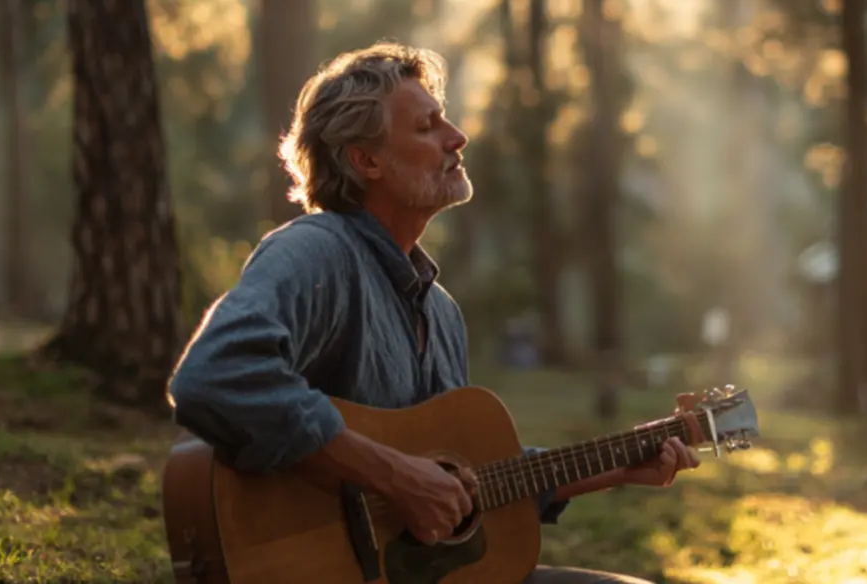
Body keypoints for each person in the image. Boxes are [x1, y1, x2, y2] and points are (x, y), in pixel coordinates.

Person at [166, 42, 700, 584]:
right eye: (427, 126)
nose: (457, 137)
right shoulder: (315, 251)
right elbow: (214, 375)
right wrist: (394, 476)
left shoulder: (441, 313)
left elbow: (463, 484)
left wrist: (616, 466)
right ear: (366, 160)